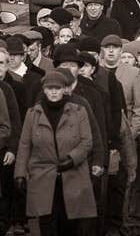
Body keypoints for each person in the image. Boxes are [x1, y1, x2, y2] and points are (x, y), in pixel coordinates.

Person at [14, 69, 97, 236]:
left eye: (57, 88)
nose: (53, 91)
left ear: (65, 89)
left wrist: (71, 159)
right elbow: (24, 145)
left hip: (73, 176)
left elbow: (87, 142)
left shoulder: (79, 111)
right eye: (49, 88)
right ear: (43, 89)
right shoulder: (33, 114)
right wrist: (20, 174)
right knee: (47, 225)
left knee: (71, 226)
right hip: (43, 177)